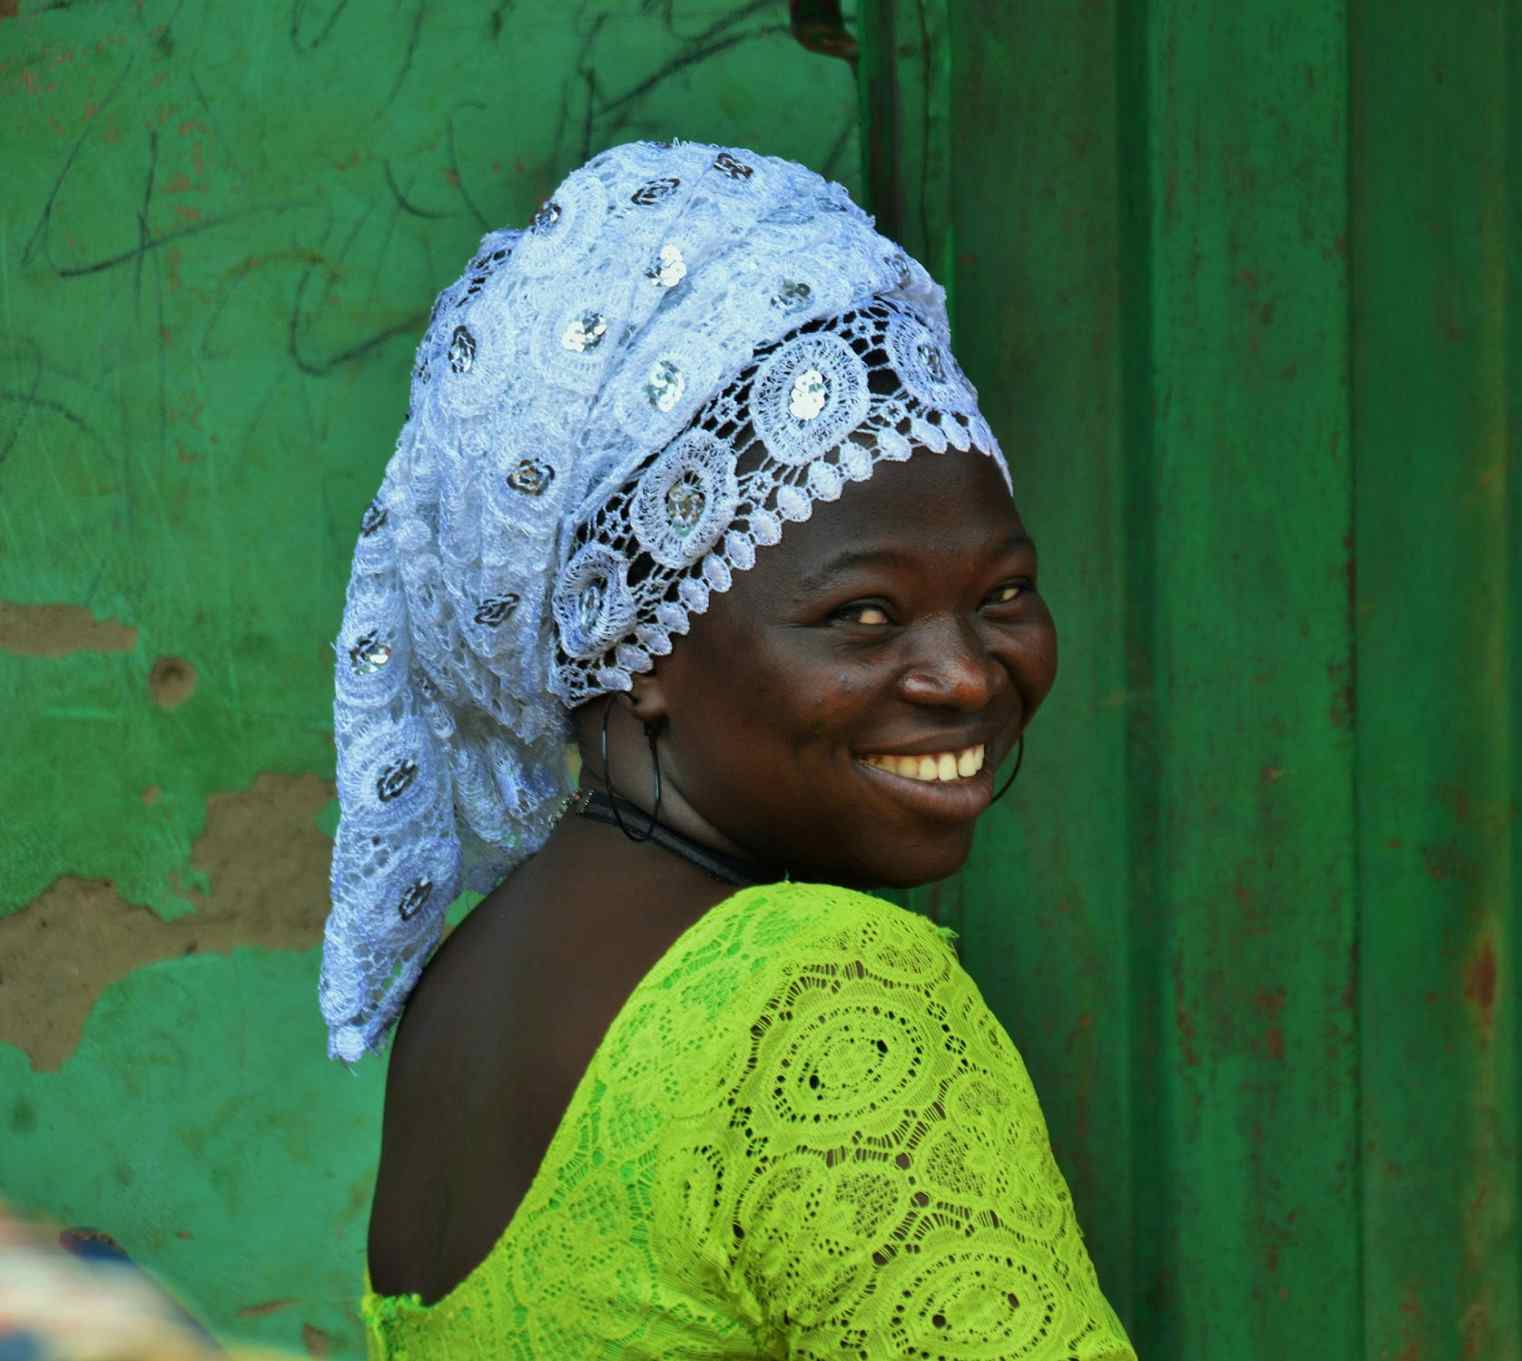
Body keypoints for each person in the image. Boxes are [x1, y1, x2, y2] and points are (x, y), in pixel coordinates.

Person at [319, 141, 1137, 1359]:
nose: (965, 672)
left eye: (1003, 593)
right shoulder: (821, 994)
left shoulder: (466, 992)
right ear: (635, 643)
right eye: (861, 613)